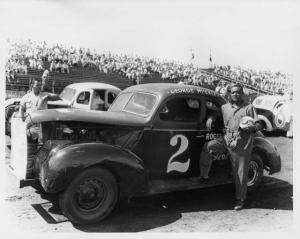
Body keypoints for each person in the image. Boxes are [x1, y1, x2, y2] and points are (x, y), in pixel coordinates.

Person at [192, 83, 259, 210]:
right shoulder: (224, 107)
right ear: (229, 94)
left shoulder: (249, 108)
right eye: (233, 92)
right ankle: (204, 176)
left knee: (240, 172)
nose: (235, 94)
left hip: (242, 141)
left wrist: (254, 127)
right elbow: (216, 114)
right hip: (227, 137)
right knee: (209, 147)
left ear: (242, 94)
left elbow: (257, 123)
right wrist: (211, 117)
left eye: (238, 92)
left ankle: (240, 199)